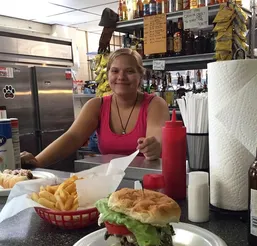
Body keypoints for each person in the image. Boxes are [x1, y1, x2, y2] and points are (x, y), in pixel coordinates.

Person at [21, 48, 170, 168]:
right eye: (115, 71)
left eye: (130, 71)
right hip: (110, 185)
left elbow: (156, 139)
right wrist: (37, 161)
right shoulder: (96, 105)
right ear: (108, 74)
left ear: (140, 76)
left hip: (149, 185)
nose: (121, 77)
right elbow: (72, 137)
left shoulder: (155, 104)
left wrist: (153, 148)